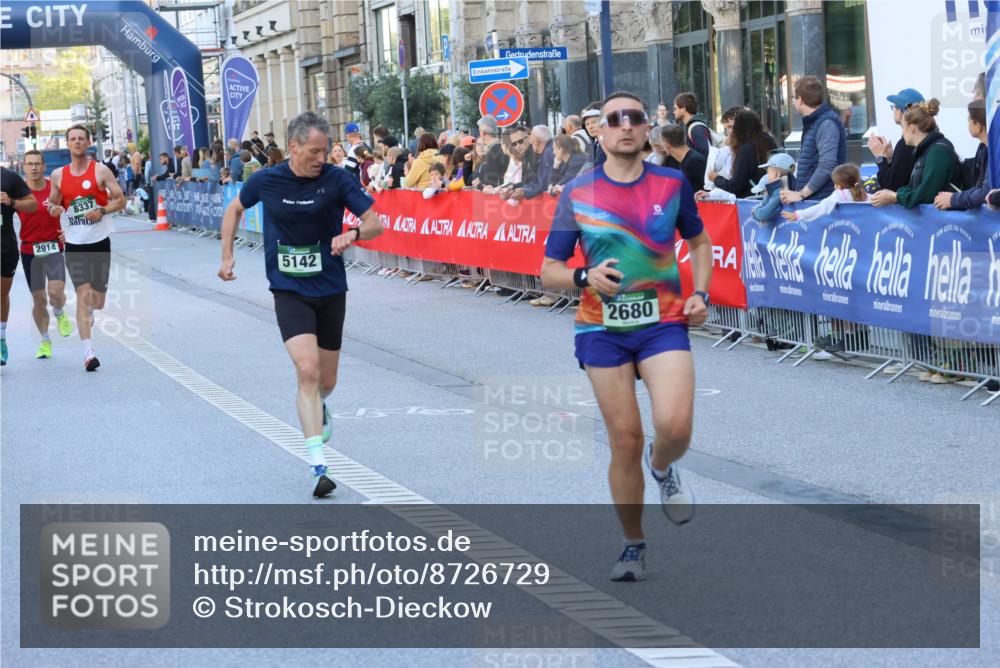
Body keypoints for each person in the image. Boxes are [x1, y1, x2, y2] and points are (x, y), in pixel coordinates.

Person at [540, 91, 713, 582]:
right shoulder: (579, 192)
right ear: (600, 131)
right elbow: (549, 269)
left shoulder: (671, 181)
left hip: (662, 322)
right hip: (602, 329)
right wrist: (582, 278)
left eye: (635, 117)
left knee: (675, 428)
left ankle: (663, 467)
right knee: (624, 438)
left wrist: (700, 292)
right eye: (614, 119)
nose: (625, 126)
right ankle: (633, 543)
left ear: (646, 127)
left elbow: (699, 243)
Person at [218, 111, 383, 498]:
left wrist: (353, 234)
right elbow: (233, 210)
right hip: (288, 288)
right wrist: (226, 255)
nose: (320, 158)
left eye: (324, 151)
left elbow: (376, 222)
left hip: (329, 288)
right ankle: (317, 465)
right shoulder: (267, 180)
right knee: (306, 370)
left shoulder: (338, 179)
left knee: (326, 381)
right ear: (292, 147)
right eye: (314, 151)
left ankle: (319, 405)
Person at [46, 124, 126, 372]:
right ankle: (88, 352)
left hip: (100, 240)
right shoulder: (59, 174)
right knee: (83, 294)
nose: (77, 142)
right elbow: (51, 202)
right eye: (73, 139)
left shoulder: (100, 171)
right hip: (74, 243)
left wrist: (102, 209)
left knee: (97, 299)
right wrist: (54, 208)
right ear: (68, 144)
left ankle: (91, 311)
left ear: (88, 142)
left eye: (81, 138)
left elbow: (121, 199)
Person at [18, 150, 73, 358]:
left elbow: (72, 212)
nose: (33, 168)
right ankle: (45, 341)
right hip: (29, 250)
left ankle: (59, 313)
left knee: (56, 292)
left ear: (43, 166)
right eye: (29, 164)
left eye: (37, 164)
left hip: (53, 247)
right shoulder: (19, 192)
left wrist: (68, 232)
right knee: (39, 300)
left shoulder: (54, 188)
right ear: (23, 167)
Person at [871, 99, 961, 209]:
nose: (902, 132)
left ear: (912, 128)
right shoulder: (926, 150)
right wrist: (893, 194)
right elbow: (913, 188)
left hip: (947, 222)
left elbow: (926, 195)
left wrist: (895, 196)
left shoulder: (937, 152)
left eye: (903, 127)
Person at [781, 76, 847, 204]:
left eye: (794, 98)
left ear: (800, 99)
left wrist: (801, 194)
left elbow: (827, 165)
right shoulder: (816, 122)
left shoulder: (826, 123)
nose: (794, 102)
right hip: (817, 202)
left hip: (822, 203)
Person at [0, 165, 38, 365]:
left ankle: (1, 338)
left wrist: (11, 201)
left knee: (1, 295)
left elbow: (32, 204)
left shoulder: (8, 177)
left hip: (4, 248)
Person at [704, 109, 776, 199]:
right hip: (770, 195)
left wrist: (716, 178)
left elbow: (735, 186)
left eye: (732, 127)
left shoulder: (746, 149)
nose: (729, 132)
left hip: (751, 201)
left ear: (739, 128)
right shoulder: (768, 140)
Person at [935, 100, 990, 211]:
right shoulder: (985, 149)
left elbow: (986, 192)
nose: (967, 124)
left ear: (978, 126)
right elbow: (980, 187)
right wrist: (952, 198)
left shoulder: (994, 152)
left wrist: (952, 199)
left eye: (969, 120)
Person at [868, 88, 924, 192]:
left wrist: (880, 158)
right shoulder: (919, 139)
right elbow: (899, 178)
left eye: (893, 107)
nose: (893, 110)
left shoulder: (907, 144)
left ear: (899, 110)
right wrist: (889, 159)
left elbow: (890, 186)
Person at [782, 163, 869, 223]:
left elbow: (821, 207)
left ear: (837, 186)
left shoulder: (838, 195)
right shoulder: (865, 195)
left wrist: (798, 215)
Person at [750, 153, 797, 222]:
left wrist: (755, 212)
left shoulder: (780, 190)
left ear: (775, 173)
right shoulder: (779, 188)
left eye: (768, 172)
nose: (767, 175)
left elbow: (763, 214)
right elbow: (763, 204)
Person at [660, 124, 708, 191]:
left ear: (666, 144)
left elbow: (709, 189)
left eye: (661, 141)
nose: (661, 145)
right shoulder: (674, 159)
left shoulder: (695, 160)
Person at [673, 92, 712, 157]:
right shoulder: (692, 127)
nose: (673, 112)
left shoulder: (696, 128)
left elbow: (706, 155)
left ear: (683, 109)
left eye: (675, 108)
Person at [522, 125, 555, 200]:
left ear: (536, 140)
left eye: (531, 138)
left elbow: (543, 183)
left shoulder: (548, 152)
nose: (530, 141)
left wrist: (524, 191)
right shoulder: (549, 150)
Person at [476, 115, 509, 188]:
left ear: (482, 132)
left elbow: (491, 184)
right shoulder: (501, 147)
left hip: (498, 197)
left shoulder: (494, 151)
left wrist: (478, 184)